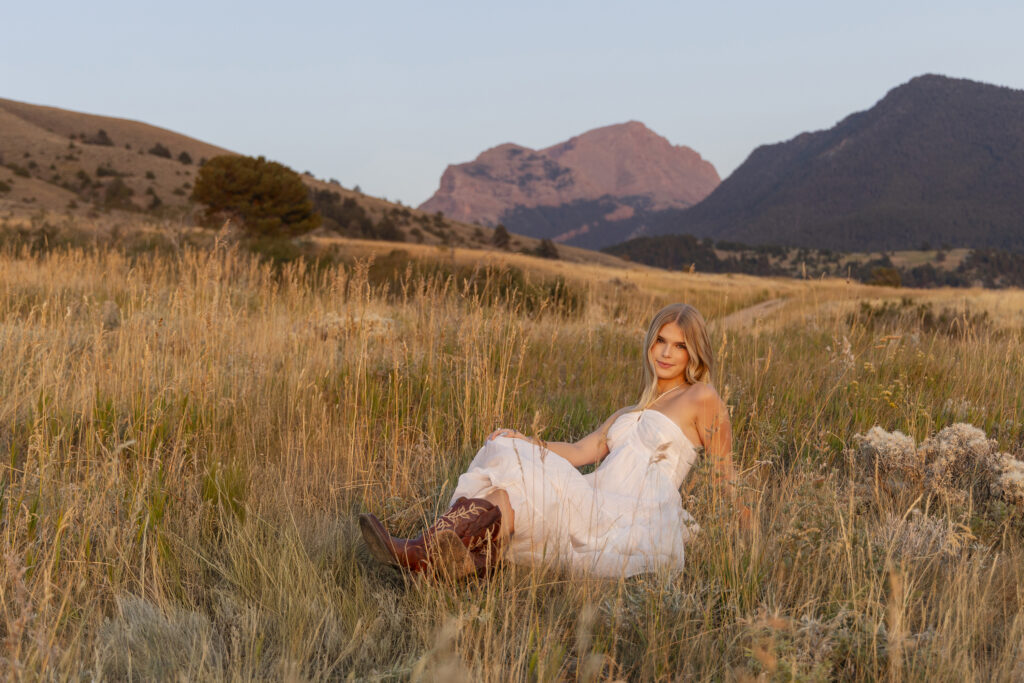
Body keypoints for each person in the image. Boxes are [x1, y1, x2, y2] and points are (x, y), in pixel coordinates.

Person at [359, 303, 748, 578]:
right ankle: (436, 555)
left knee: (521, 481)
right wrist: (525, 440)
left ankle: (420, 552)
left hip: (636, 511)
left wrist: (748, 541)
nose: (666, 352)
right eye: (661, 340)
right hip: (597, 495)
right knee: (511, 462)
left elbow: (724, 476)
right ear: (649, 342)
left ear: (693, 351)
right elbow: (581, 451)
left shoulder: (703, 398)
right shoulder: (629, 412)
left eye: (679, 345)